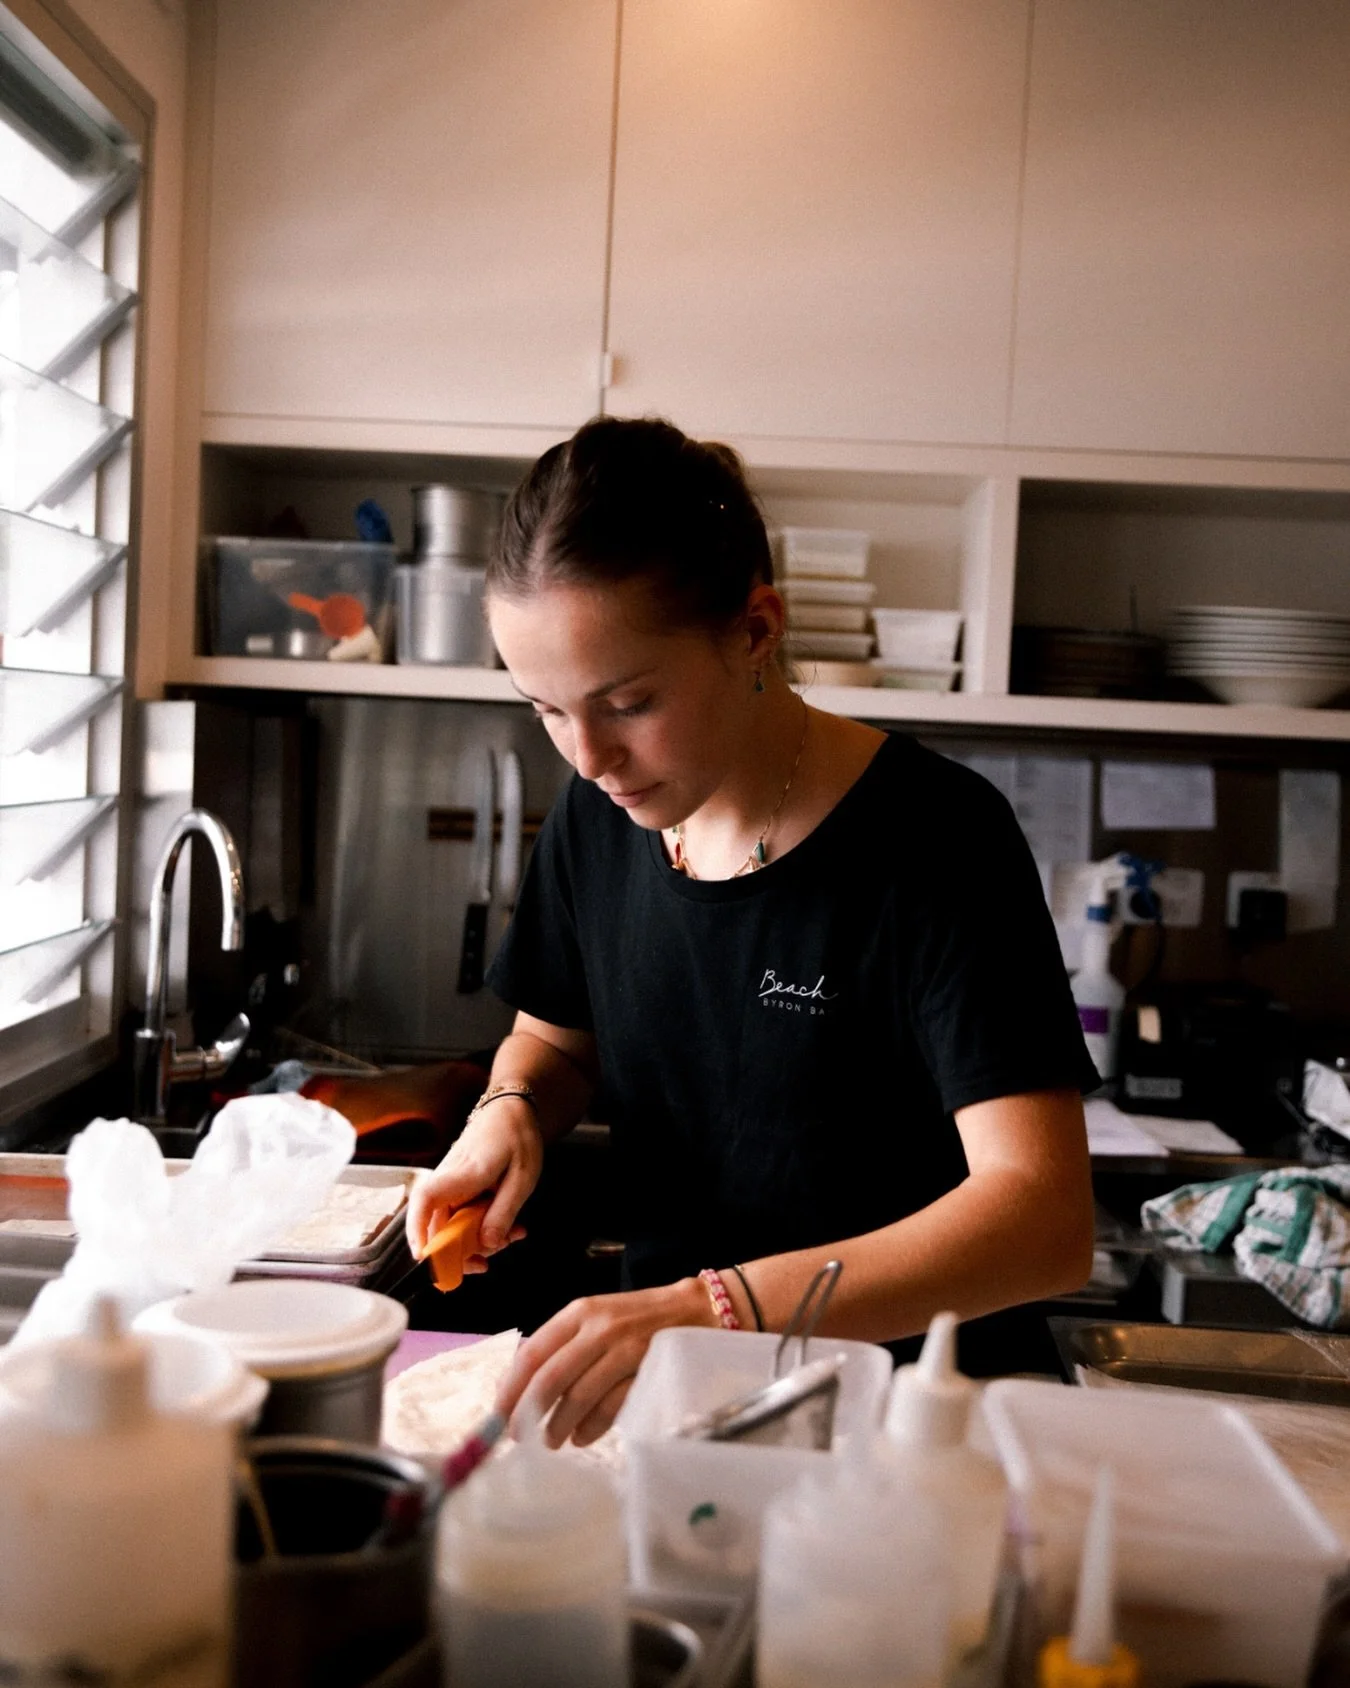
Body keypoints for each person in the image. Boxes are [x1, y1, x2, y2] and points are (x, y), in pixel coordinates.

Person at [407, 417, 1096, 1448]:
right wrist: (510, 1109)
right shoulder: (604, 815)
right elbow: (552, 1037)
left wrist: (711, 1309)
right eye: (545, 707)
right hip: (673, 1417)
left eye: (629, 701)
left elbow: (1042, 1219)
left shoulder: (938, 838)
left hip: (902, 1430)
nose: (589, 754)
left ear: (757, 629)